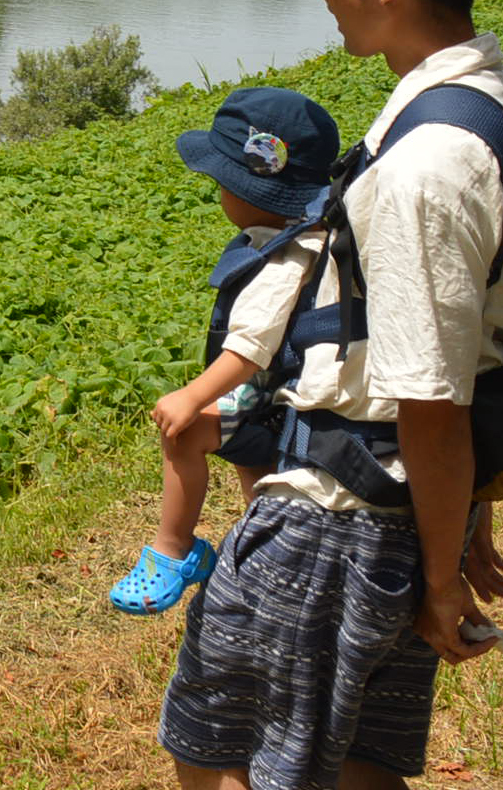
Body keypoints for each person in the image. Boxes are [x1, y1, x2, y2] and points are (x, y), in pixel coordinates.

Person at [158, 0, 503, 790]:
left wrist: (446, 579)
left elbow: (432, 394)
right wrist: (458, 525)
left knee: (214, 755)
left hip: (338, 517)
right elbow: (492, 335)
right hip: (407, 509)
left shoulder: (422, 166)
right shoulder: (492, 102)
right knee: (361, 761)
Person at [110, 87, 340, 615]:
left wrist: (192, 395)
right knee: (258, 483)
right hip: (282, 395)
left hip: (271, 396)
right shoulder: (304, 236)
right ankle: (261, 553)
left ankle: (175, 550)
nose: (218, 194)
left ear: (250, 189)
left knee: (186, 431)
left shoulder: (284, 260)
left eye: (221, 182)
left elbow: (250, 349)